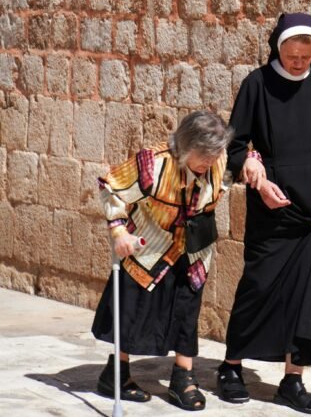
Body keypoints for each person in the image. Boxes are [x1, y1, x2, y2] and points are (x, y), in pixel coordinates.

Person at [216, 13, 311, 414]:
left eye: (306, 56)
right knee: (258, 288)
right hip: (271, 206)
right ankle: (231, 368)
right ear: (278, 48)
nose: (298, 63)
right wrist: (254, 174)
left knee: (310, 300)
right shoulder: (256, 84)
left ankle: (293, 380)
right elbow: (234, 146)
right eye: (291, 55)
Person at [91, 110, 232, 411]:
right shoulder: (152, 165)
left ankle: (183, 378)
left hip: (193, 249)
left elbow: (236, 168)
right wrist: (118, 233)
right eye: (203, 155)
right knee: (133, 311)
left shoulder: (219, 160)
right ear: (185, 147)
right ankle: (115, 375)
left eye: (214, 154)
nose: (210, 162)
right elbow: (110, 185)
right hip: (149, 245)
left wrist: (255, 162)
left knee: (186, 310)